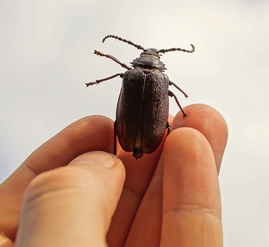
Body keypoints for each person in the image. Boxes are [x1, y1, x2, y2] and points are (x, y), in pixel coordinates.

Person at [0, 104, 227, 247]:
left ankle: (113, 154)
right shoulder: (160, 82)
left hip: (131, 138)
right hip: (147, 138)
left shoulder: (130, 76)